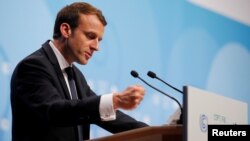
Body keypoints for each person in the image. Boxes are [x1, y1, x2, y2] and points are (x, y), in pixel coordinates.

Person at [10, 2, 148, 141]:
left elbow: (103, 114)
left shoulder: (76, 75)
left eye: (99, 40)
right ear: (66, 30)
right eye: (90, 36)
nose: (96, 47)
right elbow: (55, 111)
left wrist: (155, 132)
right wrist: (115, 100)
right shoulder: (33, 67)